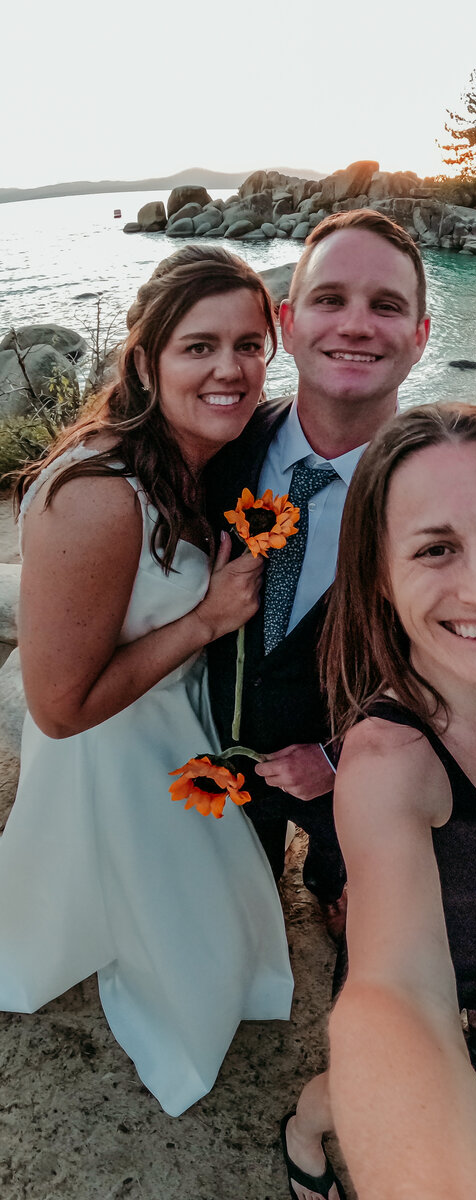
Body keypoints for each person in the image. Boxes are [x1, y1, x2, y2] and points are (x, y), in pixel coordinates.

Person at [0, 245, 294, 1117]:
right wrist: (206, 620)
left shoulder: (203, 458)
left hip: (173, 722)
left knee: (193, 890)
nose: (230, 368)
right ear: (145, 359)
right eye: (198, 347)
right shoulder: (97, 497)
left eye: (249, 343)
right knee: (183, 913)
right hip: (113, 744)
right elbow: (58, 711)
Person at [289, 403, 476, 1200]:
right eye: (436, 548)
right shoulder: (391, 761)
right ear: (379, 572)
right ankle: (304, 1132)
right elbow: (395, 993)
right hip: (446, 1007)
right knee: (347, 1094)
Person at [205, 210, 430, 939]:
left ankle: (334, 876)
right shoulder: (219, 449)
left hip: (352, 772)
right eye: (331, 299)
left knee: (347, 890)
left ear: (421, 336)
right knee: (237, 906)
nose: (357, 325)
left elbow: (463, 662)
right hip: (223, 759)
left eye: (387, 305)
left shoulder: (442, 495)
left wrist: (342, 756)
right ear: (289, 323)